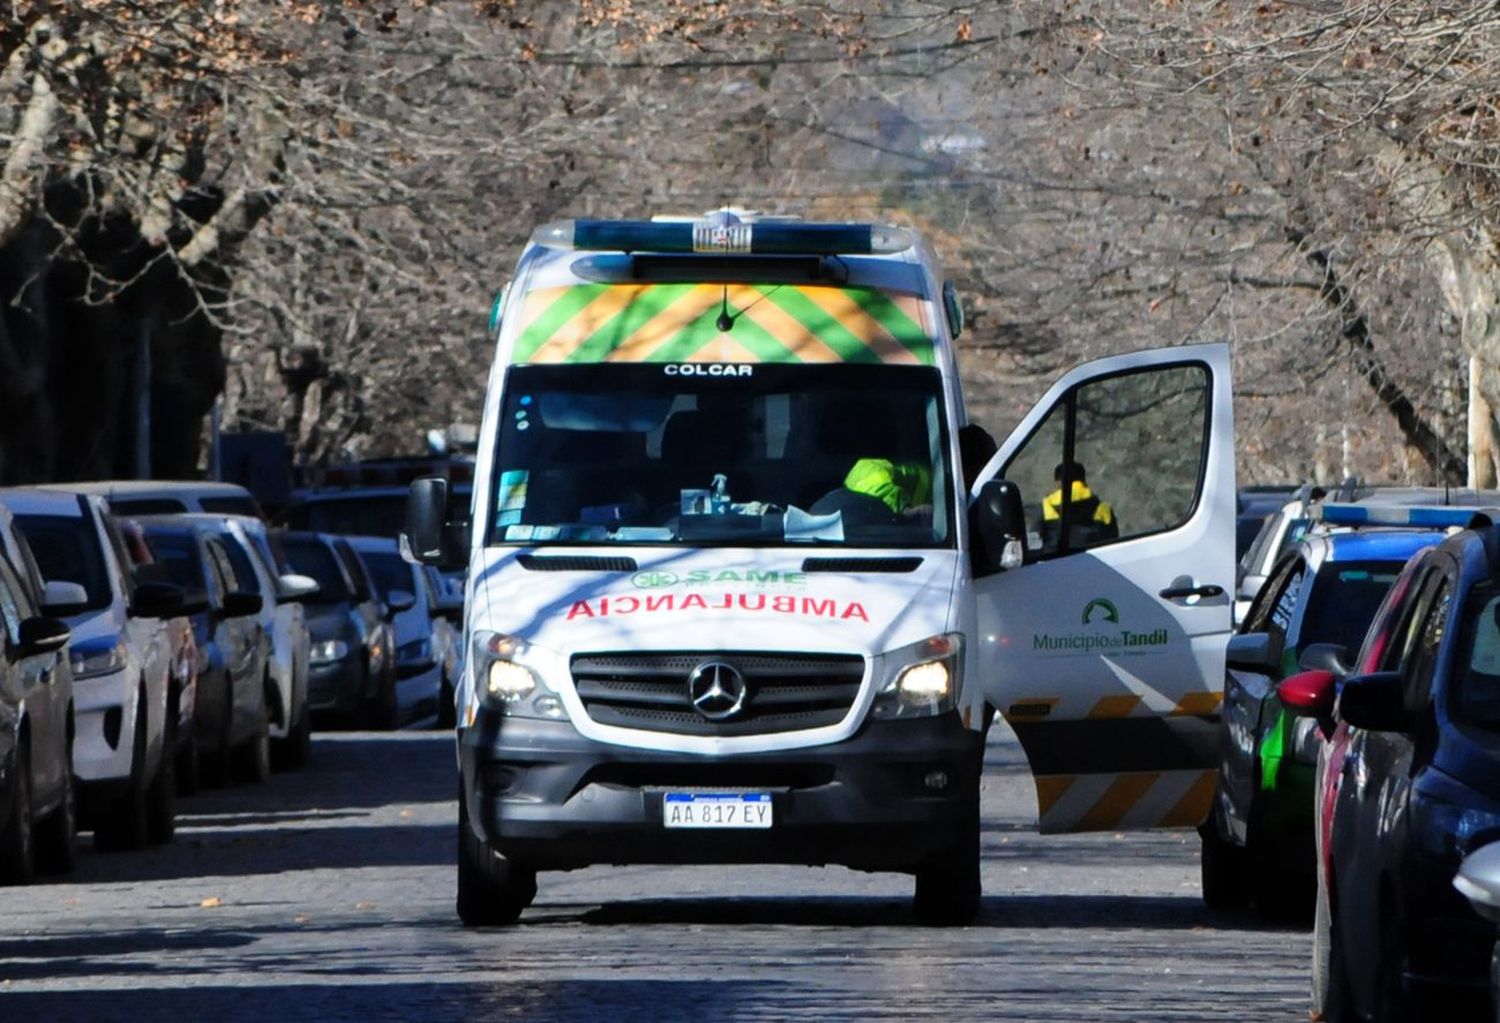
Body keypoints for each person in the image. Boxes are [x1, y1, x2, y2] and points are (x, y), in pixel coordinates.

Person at [1041, 461, 1117, 548]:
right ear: (1083, 480)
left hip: (1058, 561)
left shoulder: (1045, 508)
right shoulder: (1104, 508)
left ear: (1059, 482)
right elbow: (1114, 544)